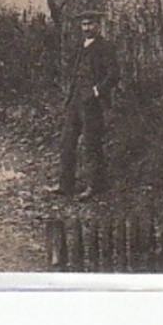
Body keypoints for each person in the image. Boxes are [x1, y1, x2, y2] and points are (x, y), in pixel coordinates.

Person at [46, 11, 119, 200]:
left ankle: (95, 185)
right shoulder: (80, 46)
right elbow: (72, 70)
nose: (87, 28)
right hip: (75, 101)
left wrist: (96, 91)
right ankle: (65, 184)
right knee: (67, 142)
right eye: (84, 24)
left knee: (91, 143)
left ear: (98, 25)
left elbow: (113, 74)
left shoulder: (105, 47)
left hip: (92, 103)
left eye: (91, 24)